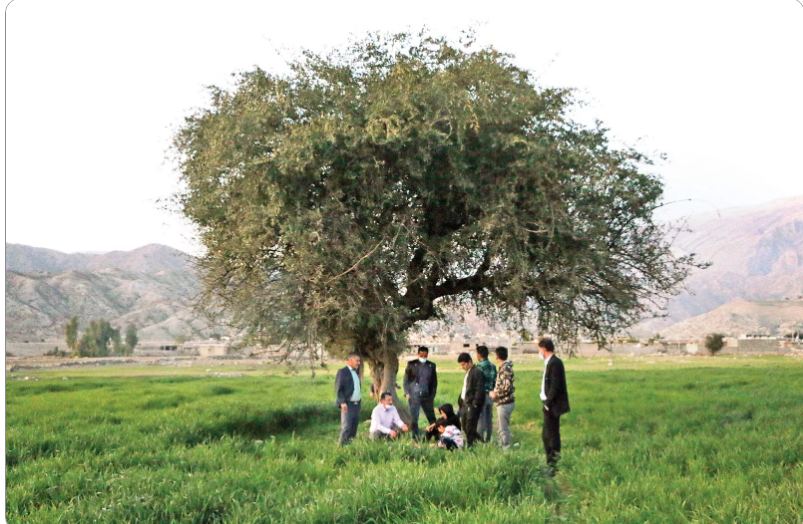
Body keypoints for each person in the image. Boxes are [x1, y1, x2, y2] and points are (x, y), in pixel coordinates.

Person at [538, 338, 570, 472]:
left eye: (539, 350)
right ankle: (550, 462)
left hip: (552, 406)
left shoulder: (554, 363)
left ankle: (553, 466)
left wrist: (548, 404)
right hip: (549, 404)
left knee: (551, 436)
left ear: (544, 349)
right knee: (546, 435)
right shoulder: (550, 363)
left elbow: (555, 386)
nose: (539, 352)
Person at [403, 346, 438, 438]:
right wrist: (407, 393)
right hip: (414, 395)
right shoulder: (411, 364)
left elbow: (434, 382)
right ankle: (415, 437)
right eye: (421, 355)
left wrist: (432, 396)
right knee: (414, 418)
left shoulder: (431, 365)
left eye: (425, 355)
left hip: (427, 396)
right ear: (418, 354)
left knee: (431, 418)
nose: (423, 357)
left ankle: (437, 435)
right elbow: (406, 380)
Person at [489, 346, 515, 448]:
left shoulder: (505, 369)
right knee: (501, 427)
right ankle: (503, 444)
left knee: (503, 428)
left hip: (505, 402)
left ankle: (505, 447)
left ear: (497, 357)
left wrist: (495, 394)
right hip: (504, 402)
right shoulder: (505, 368)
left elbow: (507, 387)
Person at [334, 353, 362, 446]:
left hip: (356, 404)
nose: (359, 363)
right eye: (357, 360)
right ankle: (341, 447)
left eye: (359, 361)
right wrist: (342, 402)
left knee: (354, 427)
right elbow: (338, 388)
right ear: (350, 360)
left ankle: (349, 447)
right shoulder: (342, 372)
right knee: (346, 427)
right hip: (347, 404)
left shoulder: (355, 372)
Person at [456, 352, 484, 448]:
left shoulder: (477, 372)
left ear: (470, 362)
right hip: (464, 404)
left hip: (471, 405)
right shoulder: (469, 373)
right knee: (465, 427)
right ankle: (480, 442)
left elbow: (479, 390)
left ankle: (471, 446)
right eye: (461, 365)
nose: (462, 367)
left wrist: (475, 404)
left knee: (470, 427)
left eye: (464, 364)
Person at [475, 345, 497, 443]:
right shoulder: (493, 366)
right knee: (489, 418)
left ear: (479, 355)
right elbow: (495, 381)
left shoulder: (479, 366)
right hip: (491, 395)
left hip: (482, 395)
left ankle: (480, 439)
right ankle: (488, 438)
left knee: (480, 418)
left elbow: (477, 382)